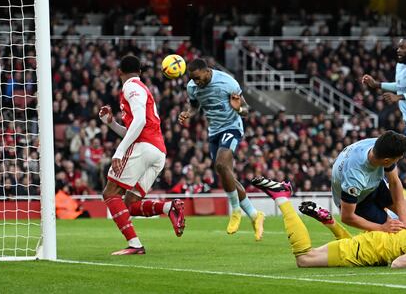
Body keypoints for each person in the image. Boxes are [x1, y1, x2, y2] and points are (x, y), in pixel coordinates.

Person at [99, 55, 185, 255]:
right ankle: (169, 208)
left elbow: (139, 123)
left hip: (144, 147)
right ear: (140, 71)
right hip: (157, 152)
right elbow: (134, 127)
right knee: (130, 203)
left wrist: (119, 152)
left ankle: (135, 245)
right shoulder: (143, 89)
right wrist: (110, 124)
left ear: (119, 71)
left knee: (110, 193)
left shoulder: (131, 87)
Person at [178, 58, 264, 241]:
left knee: (221, 165)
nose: (196, 82)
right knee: (225, 174)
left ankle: (235, 211)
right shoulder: (192, 87)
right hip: (214, 131)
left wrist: (238, 108)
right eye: (193, 79)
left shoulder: (227, 82)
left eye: (198, 78)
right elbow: (194, 106)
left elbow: (247, 109)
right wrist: (188, 113)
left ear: (207, 71)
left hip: (232, 127)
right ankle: (255, 215)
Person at [251, 176, 406, 268]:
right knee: (304, 259)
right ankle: (281, 198)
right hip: (369, 250)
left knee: (351, 242)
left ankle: (330, 222)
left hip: (379, 238)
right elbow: (397, 264)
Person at [330, 130, 406, 232]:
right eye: (397, 159)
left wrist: (404, 220)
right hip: (359, 202)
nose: (398, 161)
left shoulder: (381, 145)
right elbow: (347, 217)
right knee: (392, 230)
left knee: (402, 219)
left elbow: (394, 182)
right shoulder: (354, 177)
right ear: (386, 161)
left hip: (374, 184)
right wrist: (382, 228)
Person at [362, 38, 406, 123]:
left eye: (402, 47)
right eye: (398, 47)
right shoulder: (400, 65)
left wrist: (398, 97)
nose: (398, 50)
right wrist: (377, 84)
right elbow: (400, 86)